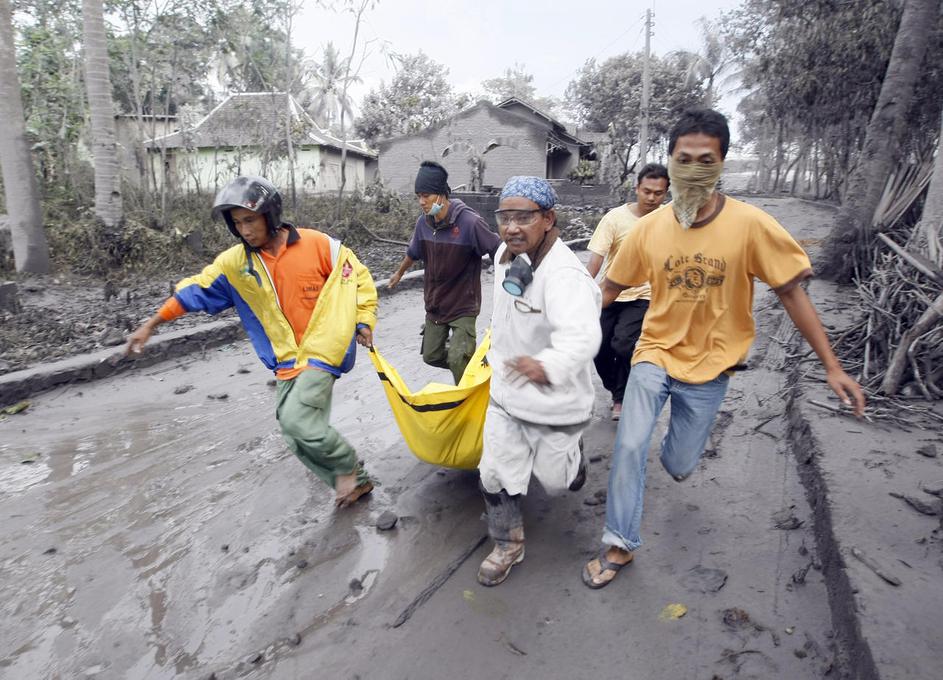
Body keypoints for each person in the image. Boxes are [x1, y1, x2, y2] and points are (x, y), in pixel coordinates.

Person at [581, 109, 866, 589]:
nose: (693, 170)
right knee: (629, 445)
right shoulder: (648, 229)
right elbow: (609, 289)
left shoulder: (751, 225)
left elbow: (792, 293)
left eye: (705, 160)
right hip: (655, 351)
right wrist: (562, 334)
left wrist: (833, 367)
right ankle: (619, 543)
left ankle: (677, 454)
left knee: (678, 463)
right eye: (683, 159)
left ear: (722, 164)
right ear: (670, 161)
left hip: (713, 364)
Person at [126, 176, 378, 508]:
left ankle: (349, 470)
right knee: (293, 434)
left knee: (298, 421)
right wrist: (152, 324)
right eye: (237, 223)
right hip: (286, 359)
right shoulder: (235, 265)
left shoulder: (320, 245)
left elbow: (357, 277)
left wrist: (363, 319)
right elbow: (194, 292)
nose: (244, 230)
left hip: (325, 349)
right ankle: (354, 482)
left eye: (250, 220)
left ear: (270, 215)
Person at [477, 176, 602, 586]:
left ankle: (573, 457)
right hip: (506, 391)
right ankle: (508, 545)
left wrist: (546, 365)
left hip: (553, 398)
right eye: (505, 217)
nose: (512, 227)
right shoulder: (505, 255)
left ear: (548, 219)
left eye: (524, 218)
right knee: (494, 473)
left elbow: (582, 336)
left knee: (556, 481)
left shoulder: (564, 276)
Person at [388, 161, 501, 384]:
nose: (421, 202)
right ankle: (472, 366)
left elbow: (498, 249)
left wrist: (511, 280)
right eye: (418, 196)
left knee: (458, 360)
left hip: (463, 305)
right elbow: (413, 252)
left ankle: (466, 396)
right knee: (431, 356)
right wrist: (399, 274)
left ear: (441, 195)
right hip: (436, 304)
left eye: (426, 196)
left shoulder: (470, 223)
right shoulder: (423, 224)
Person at [587, 163, 669, 420]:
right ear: (637, 188)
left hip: (643, 295)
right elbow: (596, 259)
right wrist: (582, 291)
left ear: (666, 193)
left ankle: (621, 398)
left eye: (658, 193)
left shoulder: (669, 220)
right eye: (647, 191)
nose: (652, 198)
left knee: (623, 345)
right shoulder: (615, 218)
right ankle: (616, 388)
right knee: (597, 347)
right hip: (610, 292)